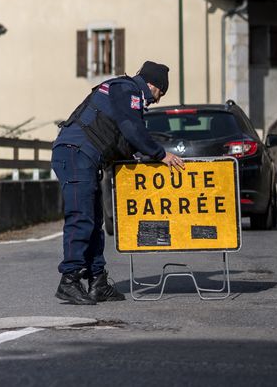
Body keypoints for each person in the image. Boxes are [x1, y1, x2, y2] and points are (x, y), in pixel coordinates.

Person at [51, 60, 185, 305]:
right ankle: (69, 279)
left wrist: (136, 154)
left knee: (94, 221)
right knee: (81, 216)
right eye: (159, 93)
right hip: (75, 153)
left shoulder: (121, 91)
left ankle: (97, 281)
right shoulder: (128, 90)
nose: (157, 99)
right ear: (154, 85)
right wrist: (160, 154)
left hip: (82, 155)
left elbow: (122, 137)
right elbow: (131, 128)